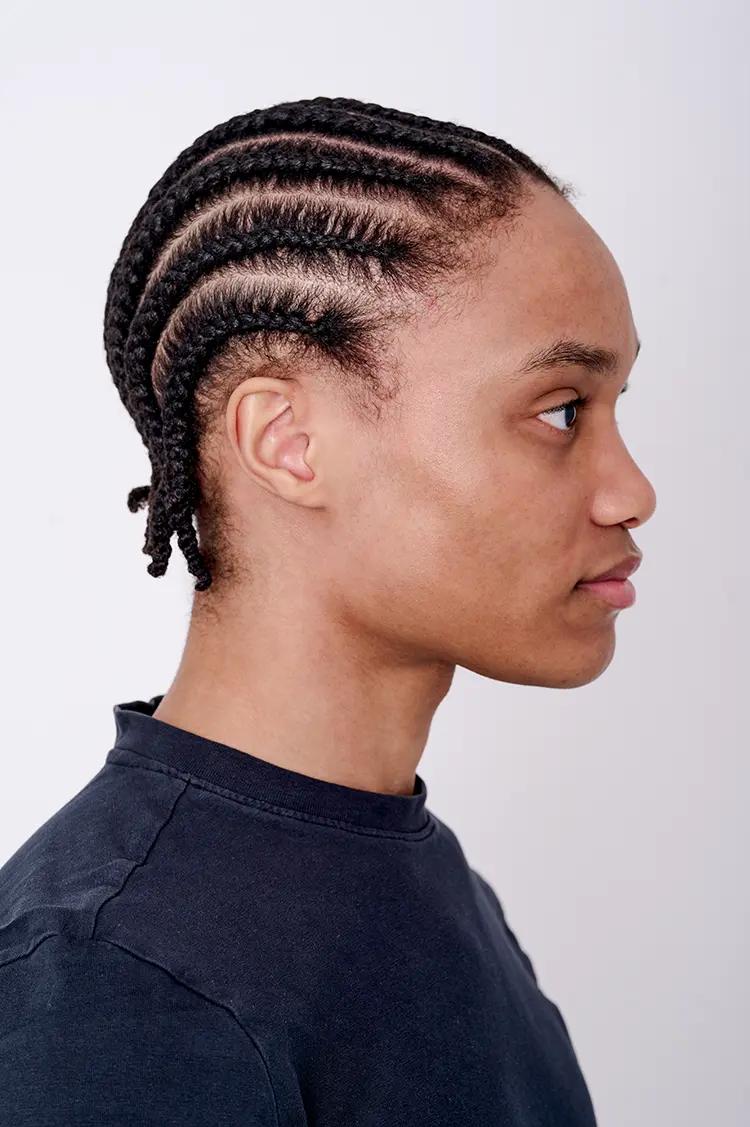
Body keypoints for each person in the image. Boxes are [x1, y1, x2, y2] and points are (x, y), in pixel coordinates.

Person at [0, 94, 656, 1125]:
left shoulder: (422, 874)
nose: (632, 490)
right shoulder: (116, 984)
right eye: (562, 409)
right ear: (289, 442)